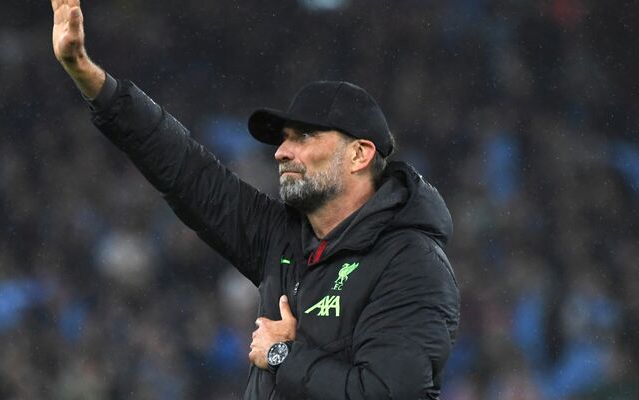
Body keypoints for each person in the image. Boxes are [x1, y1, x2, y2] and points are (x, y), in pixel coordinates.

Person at [50, 1, 460, 398]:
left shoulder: (410, 261)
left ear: (359, 154)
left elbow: (391, 393)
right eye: (283, 139)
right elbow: (186, 170)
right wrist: (87, 74)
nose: (282, 152)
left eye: (303, 137)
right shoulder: (283, 238)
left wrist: (283, 356)